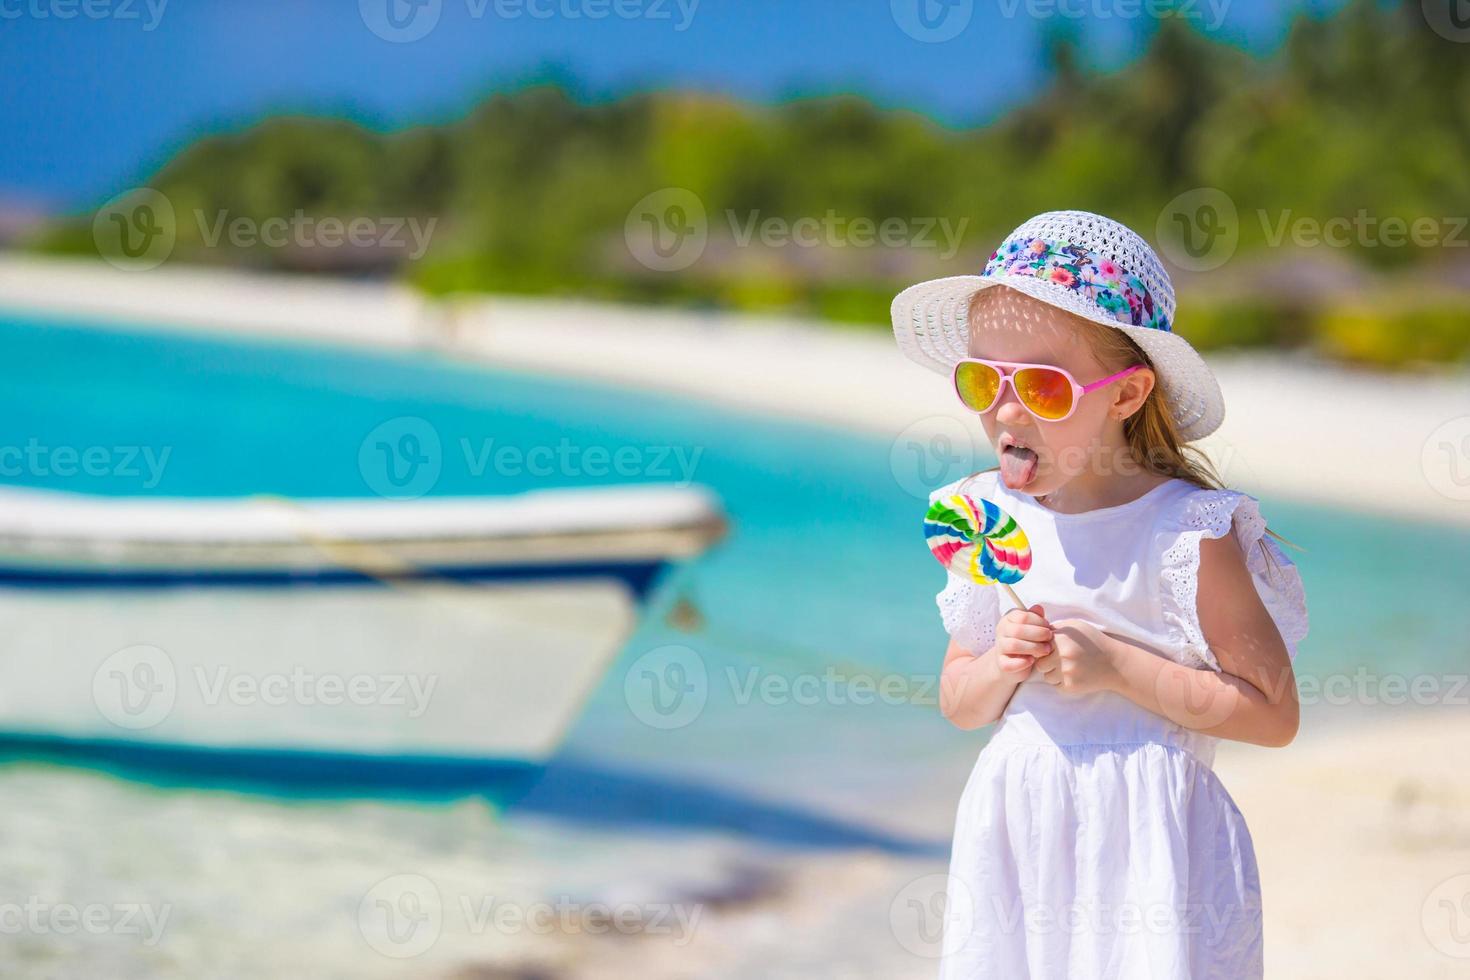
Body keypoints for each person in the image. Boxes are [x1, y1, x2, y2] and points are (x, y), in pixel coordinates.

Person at [891, 210, 1309, 978]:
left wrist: (1120, 668)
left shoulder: (1186, 531)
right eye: (985, 380)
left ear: (1126, 395)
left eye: (1043, 388)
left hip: (1155, 850)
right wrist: (1001, 666)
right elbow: (960, 702)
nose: (1006, 412)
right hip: (1018, 836)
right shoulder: (983, 518)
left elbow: (1273, 713)